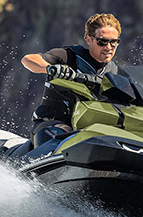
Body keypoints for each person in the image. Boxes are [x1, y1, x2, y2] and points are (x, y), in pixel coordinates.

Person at [21, 13, 122, 146]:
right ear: (88, 39)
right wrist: (51, 68)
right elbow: (28, 59)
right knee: (67, 132)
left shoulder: (115, 73)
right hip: (52, 123)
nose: (108, 47)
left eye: (114, 42)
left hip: (88, 132)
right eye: (102, 42)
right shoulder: (69, 56)